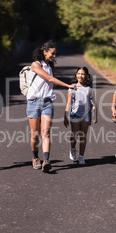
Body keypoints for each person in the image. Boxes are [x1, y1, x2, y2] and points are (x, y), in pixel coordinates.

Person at [27, 42, 77, 173]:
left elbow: (49, 82)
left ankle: (46, 161)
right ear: (44, 52)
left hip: (47, 102)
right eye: (52, 53)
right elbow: (49, 78)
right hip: (34, 102)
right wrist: (67, 85)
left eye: (55, 54)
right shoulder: (35, 65)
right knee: (35, 135)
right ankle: (35, 158)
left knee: (46, 132)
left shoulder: (49, 66)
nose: (54, 56)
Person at [63, 67, 97, 165]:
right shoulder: (72, 88)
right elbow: (69, 103)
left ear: (86, 76)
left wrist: (95, 115)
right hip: (75, 114)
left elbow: (93, 104)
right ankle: (73, 149)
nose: (80, 76)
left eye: (82, 74)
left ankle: (81, 156)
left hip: (86, 115)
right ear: (76, 75)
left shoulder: (89, 89)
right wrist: (65, 115)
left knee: (83, 136)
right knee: (74, 134)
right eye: (78, 73)